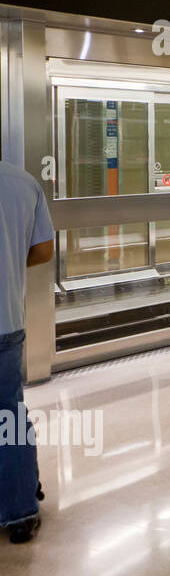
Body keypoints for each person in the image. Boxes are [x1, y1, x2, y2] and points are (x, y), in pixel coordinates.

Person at [0, 160, 55, 544]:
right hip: (7, 321)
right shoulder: (23, 183)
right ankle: (20, 511)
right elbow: (44, 249)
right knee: (10, 416)